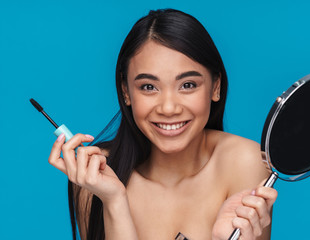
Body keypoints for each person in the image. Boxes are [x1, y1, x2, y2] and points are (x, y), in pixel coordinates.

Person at [48, 9, 277, 240]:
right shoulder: (96, 176)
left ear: (215, 87)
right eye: (149, 87)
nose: (168, 108)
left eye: (188, 85)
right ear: (126, 91)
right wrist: (114, 202)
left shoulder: (244, 162)